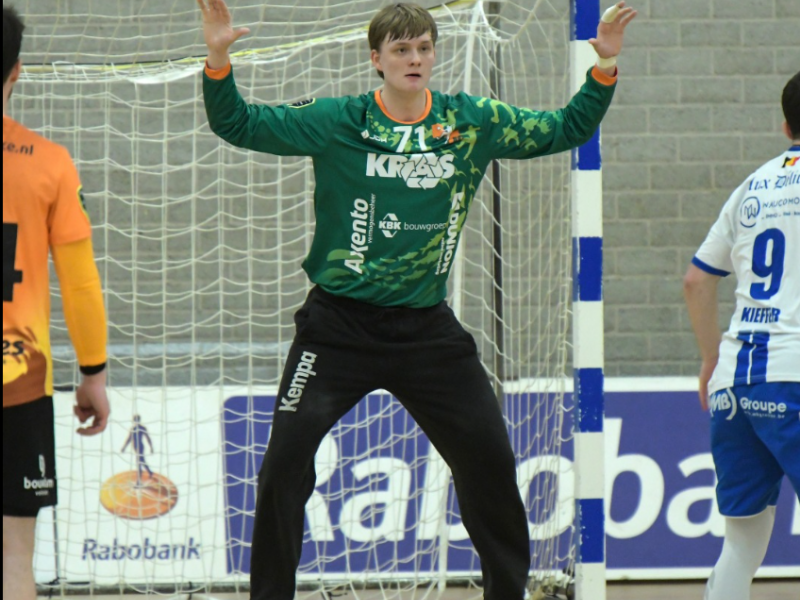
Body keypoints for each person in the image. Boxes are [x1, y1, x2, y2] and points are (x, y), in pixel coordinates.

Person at [197, 1, 636, 598]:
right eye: (401, 49)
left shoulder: (471, 121)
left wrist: (603, 66)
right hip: (336, 329)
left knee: (490, 463)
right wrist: (218, 58)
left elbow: (566, 128)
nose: (415, 58)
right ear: (376, 60)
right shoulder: (338, 120)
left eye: (424, 48)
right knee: (283, 466)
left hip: (427, 333)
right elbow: (238, 124)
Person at [2, 7, 110, 600]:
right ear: (17, 70)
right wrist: (93, 373)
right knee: (13, 560)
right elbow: (81, 284)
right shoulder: (48, 163)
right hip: (17, 379)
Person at [683, 71, 800, 600]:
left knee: (742, 543)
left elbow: (696, 280)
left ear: (786, 126)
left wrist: (710, 358)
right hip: (793, 378)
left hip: (735, 381)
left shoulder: (753, 185)